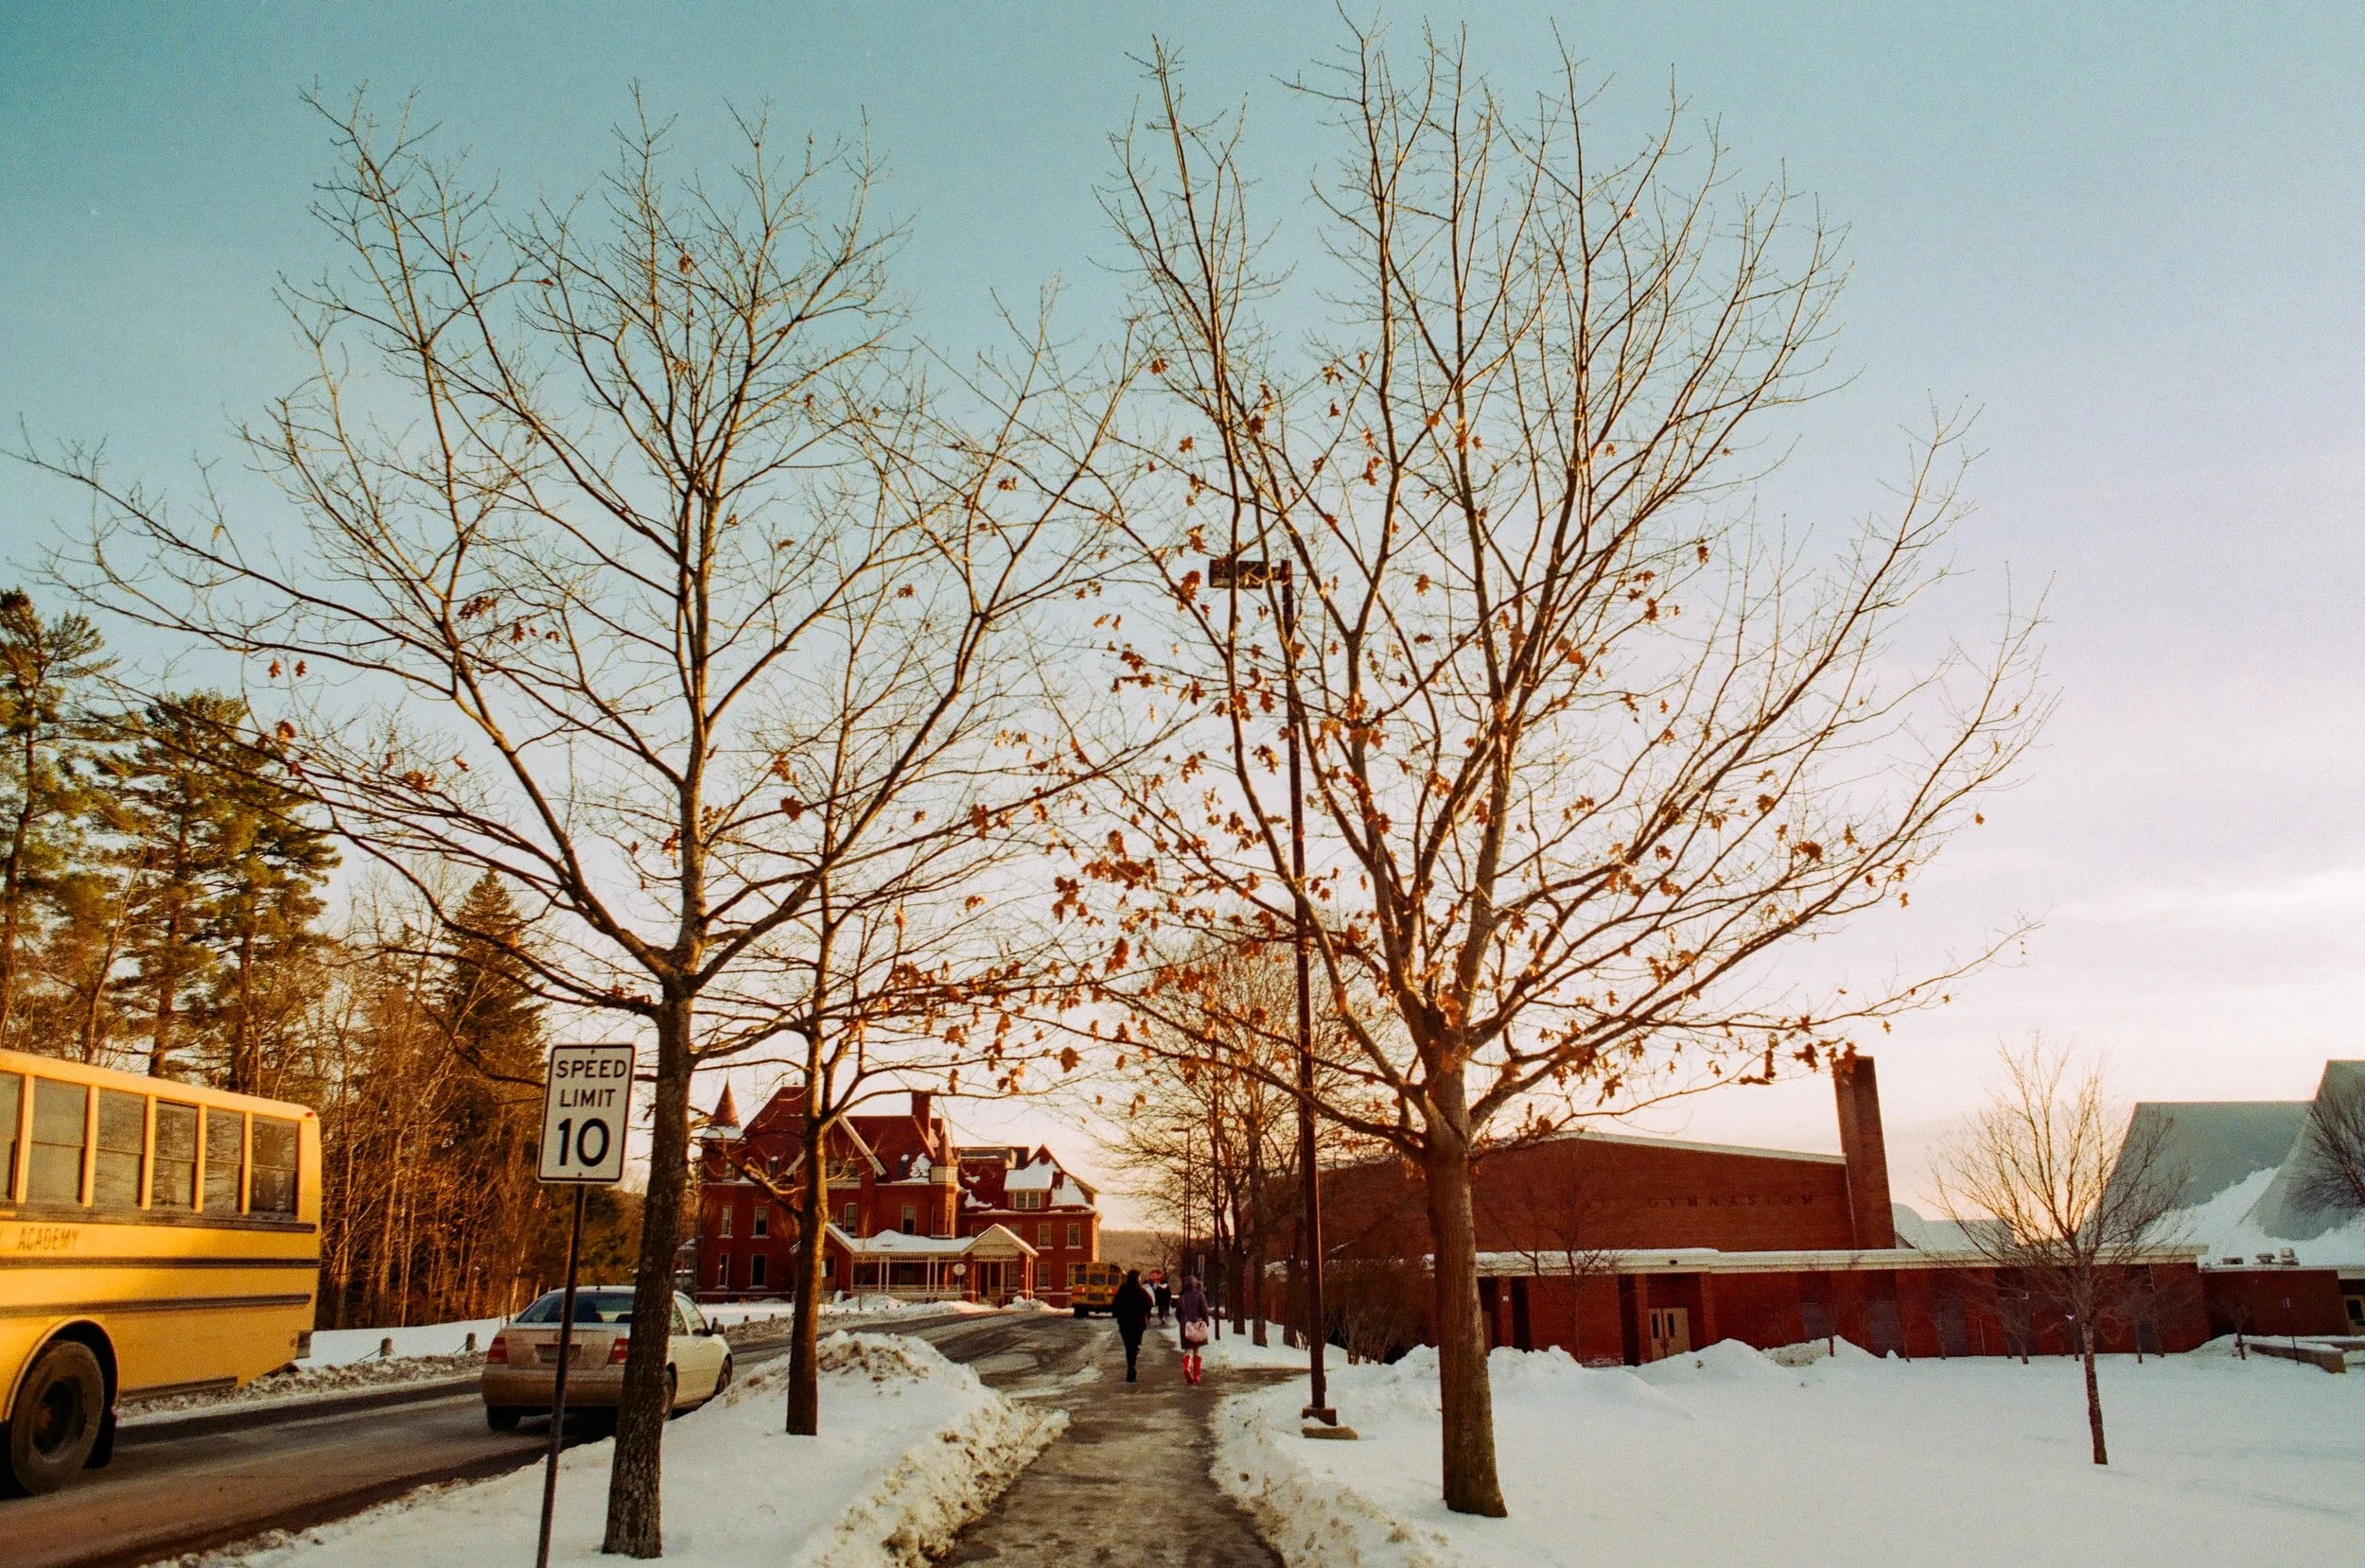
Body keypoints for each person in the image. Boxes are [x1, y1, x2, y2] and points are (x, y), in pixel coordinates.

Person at [1112, 1269, 1154, 1382]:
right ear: (1137, 1278)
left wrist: (1118, 1314)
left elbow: (1114, 1304)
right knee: (1136, 1342)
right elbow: (1150, 1303)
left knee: (1128, 1345)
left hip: (1124, 1322)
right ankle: (1136, 1351)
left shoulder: (1122, 1290)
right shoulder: (1141, 1291)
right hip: (1138, 1322)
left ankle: (1131, 1366)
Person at [1175, 1275, 1211, 1385]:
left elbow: (1178, 1313)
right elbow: (1204, 1310)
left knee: (1188, 1350)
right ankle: (1196, 1376)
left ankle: (1186, 1367)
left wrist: (1183, 1323)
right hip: (1197, 1325)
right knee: (1197, 1350)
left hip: (1186, 1326)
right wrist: (1206, 1322)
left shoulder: (1182, 1298)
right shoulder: (1200, 1295)